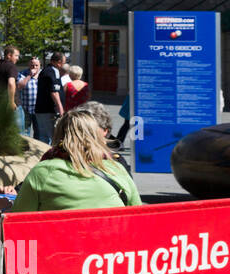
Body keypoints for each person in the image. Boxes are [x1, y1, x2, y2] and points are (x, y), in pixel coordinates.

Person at [11, 107, 139, 211]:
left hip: (60, 241)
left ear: (59, 136)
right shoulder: (117, 169)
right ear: (97, 137)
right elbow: (139, 216)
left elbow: (20, 219)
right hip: (113, 240)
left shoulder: (43, 172)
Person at [34, 52, 68, 142]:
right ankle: (49, 155)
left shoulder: (47, 70)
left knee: (44, 136)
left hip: (42, 109)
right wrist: (60, 108)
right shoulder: (53, 71)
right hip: (48, 110)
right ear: (59, 62)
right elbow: (54, 92)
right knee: (51, 137)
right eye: (64, 62)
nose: (64, 65)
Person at [16, 57, 43, 140]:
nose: (34, 67)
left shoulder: (43, 74)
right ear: (28, 65)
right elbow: (19, 86)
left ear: (40, 65)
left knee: (39, 132)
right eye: (32, 65)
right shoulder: (22, 73)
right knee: (25, 132)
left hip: (39, 109)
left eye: (36, 65)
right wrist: (29, 76)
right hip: (26, 108)